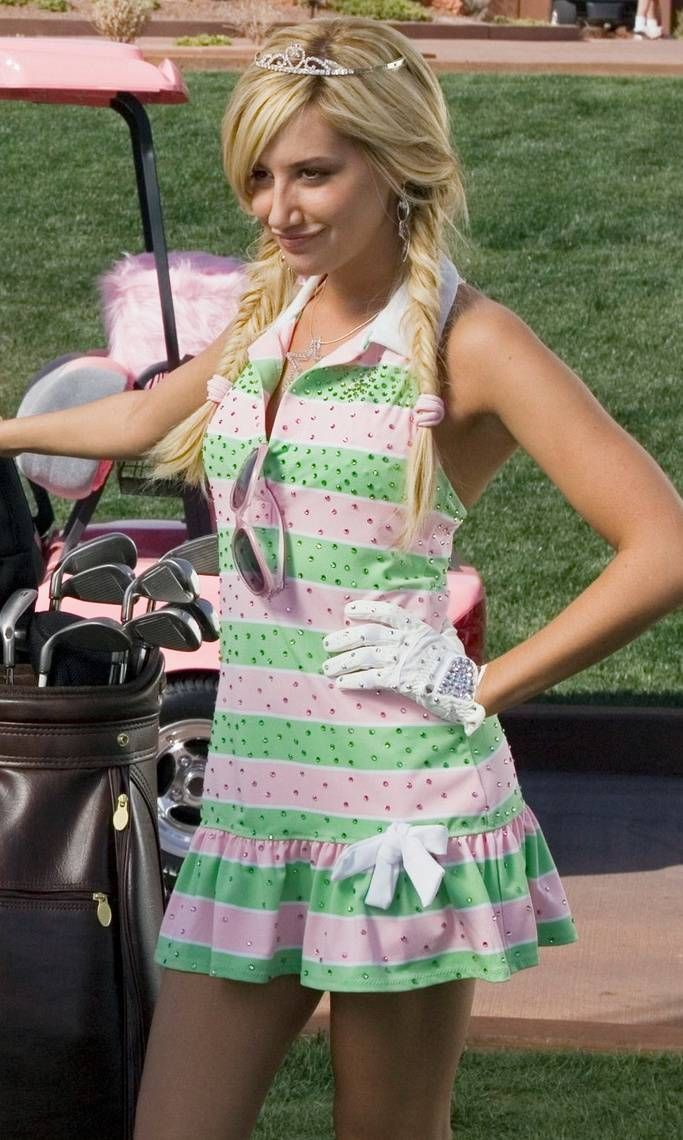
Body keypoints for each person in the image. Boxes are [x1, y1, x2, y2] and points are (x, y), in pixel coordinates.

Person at [1, 15, 681, 1140]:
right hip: (255, 801)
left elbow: (660, 543)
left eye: (313, 171)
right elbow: (139, 413)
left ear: (394, 160)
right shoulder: (273, 317)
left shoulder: (472, 343)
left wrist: (482, 684)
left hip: (397, 813)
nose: (278, 206)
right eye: (259, 176)